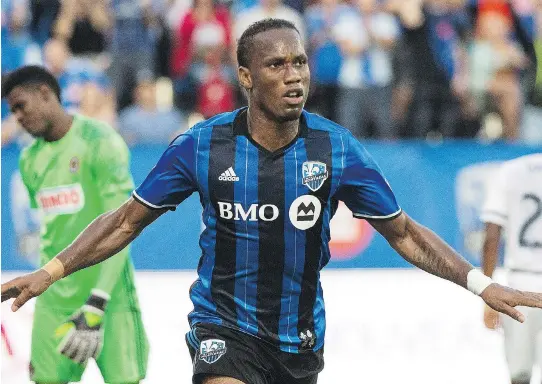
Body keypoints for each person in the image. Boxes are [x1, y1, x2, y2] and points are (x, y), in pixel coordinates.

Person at [2, 19, 542, 384]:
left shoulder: (335, 149)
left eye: (300, 63)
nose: (294, 77)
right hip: (222, 327)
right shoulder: (201, 146)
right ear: (245, 76)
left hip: (299, 336)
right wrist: (49, 273)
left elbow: (403, 232)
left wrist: (481, 283)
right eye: (277, 65)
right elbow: (124, 222)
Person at [1, 65, 148, 384]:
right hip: (54, 299)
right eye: (12, 112)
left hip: (110, 299)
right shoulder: (29, 161)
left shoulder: (100, 141)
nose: (18, 118)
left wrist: (97, 302)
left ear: (45, 93)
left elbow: (123, 227)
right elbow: (51, 230)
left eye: (20, 106)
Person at [481, 153, 542, 384]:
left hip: (520, 287)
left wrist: (487, 293)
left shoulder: (509, 171)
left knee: (519, 376)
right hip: (522, 284)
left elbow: (491, 237)